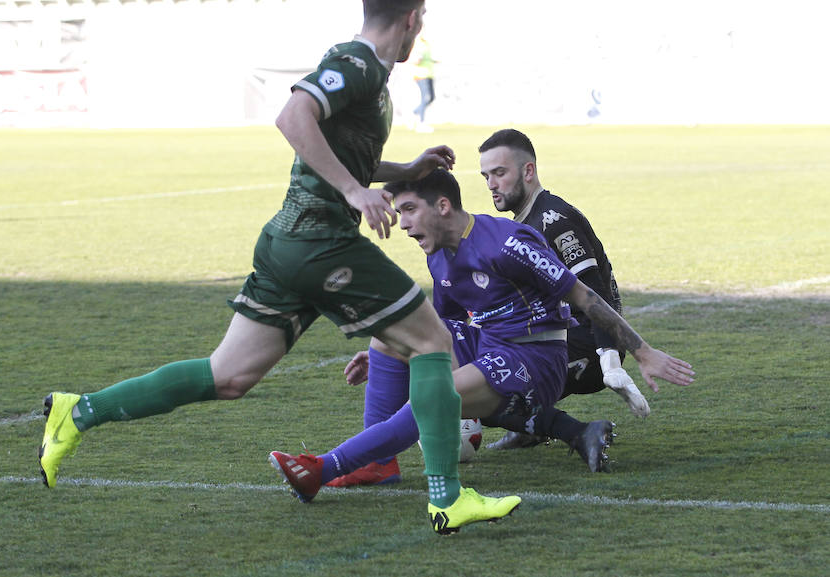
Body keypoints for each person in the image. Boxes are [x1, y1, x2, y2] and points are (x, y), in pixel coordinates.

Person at [37, 0, 520, 536]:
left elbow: (346, 154)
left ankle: (78, 411)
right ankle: (448, 497)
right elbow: (293, 116)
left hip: (289, 243)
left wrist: (403, 171)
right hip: (321, 240)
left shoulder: (367, 72)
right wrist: (351, 190)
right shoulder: (358, 64)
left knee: (228, 376)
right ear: (412, 17)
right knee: (432, 342)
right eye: (424, 17)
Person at [269, 169, 695, 502]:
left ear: (443, 206)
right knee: (386, 336)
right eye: (400, 213)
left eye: (410, 210)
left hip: (535, 359)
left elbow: (586, 298)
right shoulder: (439, 254)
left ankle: (323, 469)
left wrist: (641, 350)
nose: (403, 224)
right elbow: (434, 327)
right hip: (489, 343)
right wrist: (391, 349)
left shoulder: (508, 243)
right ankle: (377, 464)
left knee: (432, 398)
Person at [478, 128, 654, 451]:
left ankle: (541, 423)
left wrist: (610, 362)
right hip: (556, 336)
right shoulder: (523, 223)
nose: (491, 184)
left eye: (499, 173)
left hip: (586, 346)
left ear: (528, 171)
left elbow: (593, 292)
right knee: (478, 366)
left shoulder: (553, 220)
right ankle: (529, 425)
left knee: (484, 387)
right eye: (486, 175)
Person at [410, 34, 436, 132]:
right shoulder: (418, 44)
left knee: (431, 98)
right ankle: (421, 123)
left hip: (429, 74)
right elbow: (415, 59)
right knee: (426, 98)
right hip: (421, 75)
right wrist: (418, 59)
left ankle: (415, 113)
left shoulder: (427, 44)